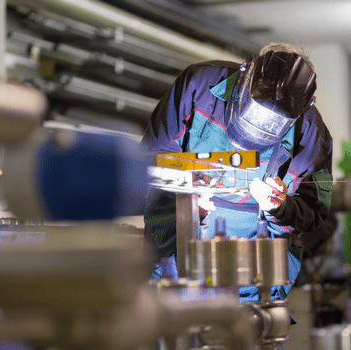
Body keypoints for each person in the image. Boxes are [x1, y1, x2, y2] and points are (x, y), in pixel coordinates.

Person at [141, 42, 333, 301]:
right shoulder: (199, 86)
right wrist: (188, 189)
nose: (261, 125)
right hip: (174, 262)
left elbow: (315, 215)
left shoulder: (313, 138)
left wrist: (281, 207)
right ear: (247, 78)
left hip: (255, 281)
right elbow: (149, 161)